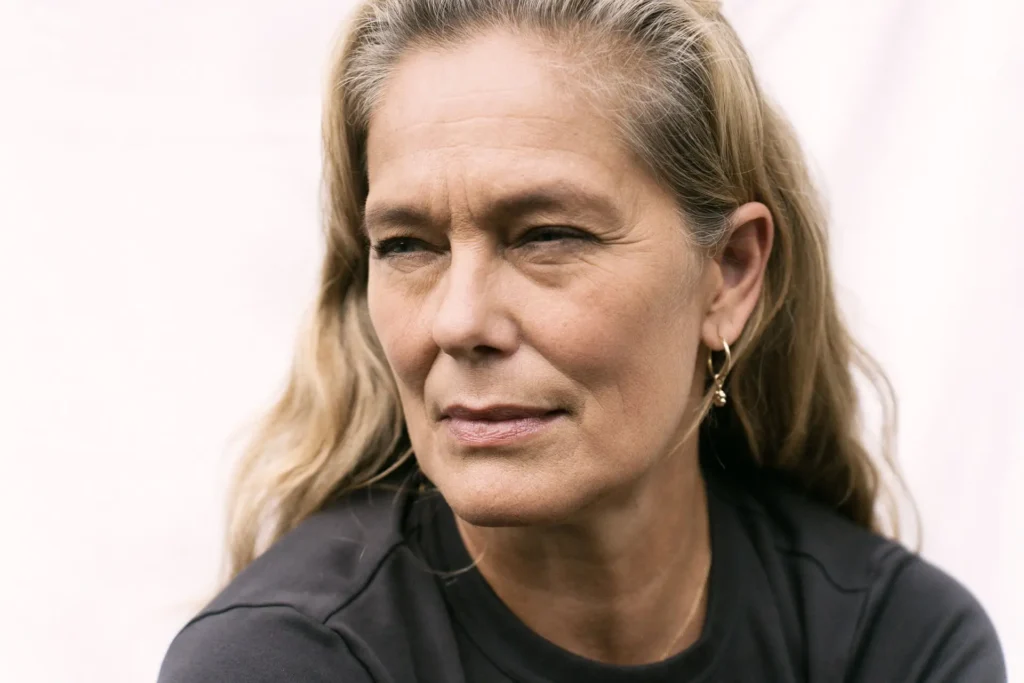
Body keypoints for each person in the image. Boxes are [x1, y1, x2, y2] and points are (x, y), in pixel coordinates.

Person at [158, 0, 1006, 680]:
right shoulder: (283, 659)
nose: (458, 321)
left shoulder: (890, 642)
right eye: (409, 245)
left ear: (728, 272)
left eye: (547, 236)